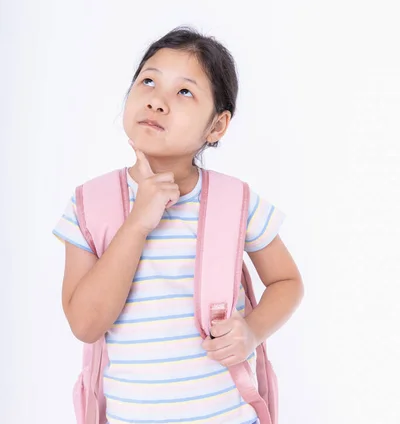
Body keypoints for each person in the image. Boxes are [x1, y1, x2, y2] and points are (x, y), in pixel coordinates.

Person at [53, 26, 304, 424]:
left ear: (217, 126)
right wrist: (137, 222)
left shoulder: (235, 201)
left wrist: (252, 331)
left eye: (184, 91)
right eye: (148, 81)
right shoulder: (89, 204)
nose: (157, 101)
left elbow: (288, 282)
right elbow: (86, 325)